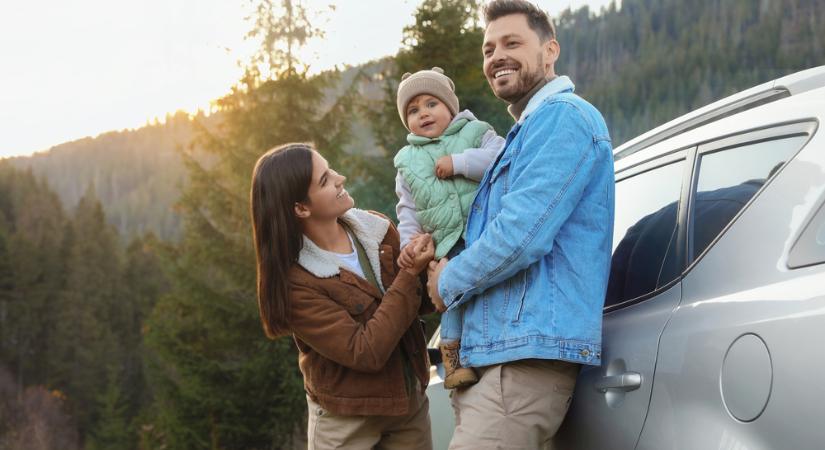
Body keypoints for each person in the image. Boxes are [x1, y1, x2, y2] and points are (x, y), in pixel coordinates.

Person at [424, 1, 615, 448]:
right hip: (495, 355)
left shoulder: (564, 118)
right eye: (488, 49)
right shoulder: (525, 132)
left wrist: (448, 279)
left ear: (550, 51)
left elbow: (520, 237)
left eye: (512, 43)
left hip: (522, 360)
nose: (496, 57)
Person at [249, 143, 435, 450]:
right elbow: (365, 352)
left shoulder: (376, 228)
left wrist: (430, 259)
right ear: (300, 208)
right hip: (346, 422)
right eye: (325, 180)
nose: (340, 178)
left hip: (408, 406)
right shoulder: (296, 284)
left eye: (330, 169)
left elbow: (421, 303)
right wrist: (410, 274)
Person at [393, 66, 505, 389]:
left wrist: (460, 163)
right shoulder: (408, 161)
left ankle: (499, 339)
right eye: (413, 110)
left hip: (485, 229)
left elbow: (500, 160)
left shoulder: (476, 132)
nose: (423, 114)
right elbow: (408, 210)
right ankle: (453, 359)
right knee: (451, 295)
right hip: (447, 242)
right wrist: (409, 244)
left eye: (431, 104)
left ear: (450, 107)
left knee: (491, 288)